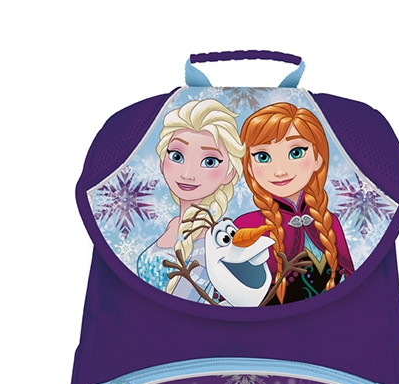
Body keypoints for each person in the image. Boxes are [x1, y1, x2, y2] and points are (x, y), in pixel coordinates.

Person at [234, 102, 354, 305]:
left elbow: (353, 285)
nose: (280, 171)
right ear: (249, 166)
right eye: (263, 157)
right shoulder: (246, 227)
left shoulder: (329, 221)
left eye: (296, 152)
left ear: (318, 158)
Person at [136, 99, 244, 302]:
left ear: (229, 173)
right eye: (177, 156)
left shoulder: (216, 240)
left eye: (209, 161)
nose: (187, 174)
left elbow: (184, 303)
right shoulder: (173, 224)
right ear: (162, 161)